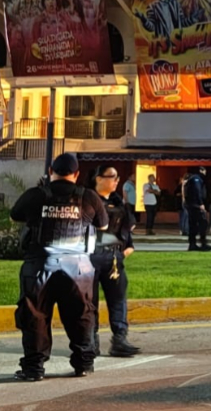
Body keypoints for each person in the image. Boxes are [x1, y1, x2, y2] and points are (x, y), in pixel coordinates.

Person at [9, 153, 108, 381]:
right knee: (81, 314)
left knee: (35, 316)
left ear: (51, 170)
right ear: (76, 174)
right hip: (79, 268)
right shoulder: (89, 197)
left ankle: (34, 369)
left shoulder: (36, 195)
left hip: (40, 266)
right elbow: (102, 225)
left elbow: (16, 216)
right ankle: (83, 364)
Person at [86, 167, 142, 359]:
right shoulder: (86, 200)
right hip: (90, 257)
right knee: (89, 301)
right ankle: (90, 340)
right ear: (98, 178)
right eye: (112, 177)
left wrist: (128, 248)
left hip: (114, 258)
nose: (116, 180)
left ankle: (120, 339)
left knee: (118, 299)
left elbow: (127, 229)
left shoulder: (118, 202)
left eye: (117, 177)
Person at [183, 167, 211, 251]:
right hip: (195, 205)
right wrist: (200, 203)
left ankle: (193, 244)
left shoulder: (192, 179)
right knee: (202, 223)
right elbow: (197, 191)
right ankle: (203, 244)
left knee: (193, 225)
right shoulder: (196, 179)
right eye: (204, 171)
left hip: (191, 205)